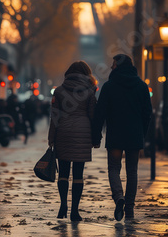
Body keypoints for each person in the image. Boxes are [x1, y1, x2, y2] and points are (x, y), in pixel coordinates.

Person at [92, 54, 152, 221]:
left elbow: (100, 114)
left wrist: (96, 135)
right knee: (132, 171)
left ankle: (119, 197)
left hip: (115, 135)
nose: (111, 67)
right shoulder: (141, 86)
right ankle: (130, 209)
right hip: (134, 135)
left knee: (113, 169)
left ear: (118, 66)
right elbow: (147, 113)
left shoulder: (109, 86)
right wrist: (143, 133)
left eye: (113, 64)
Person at [48, 61, 97, 221]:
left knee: (63, 173)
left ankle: (63, 204)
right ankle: (75, 211)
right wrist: (96, 137)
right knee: (78, 174)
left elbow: (54, 117)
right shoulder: (89, 91)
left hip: (63, 132)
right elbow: (93, 116)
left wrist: (51, 138)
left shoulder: (59, 91)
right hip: (83, 133)